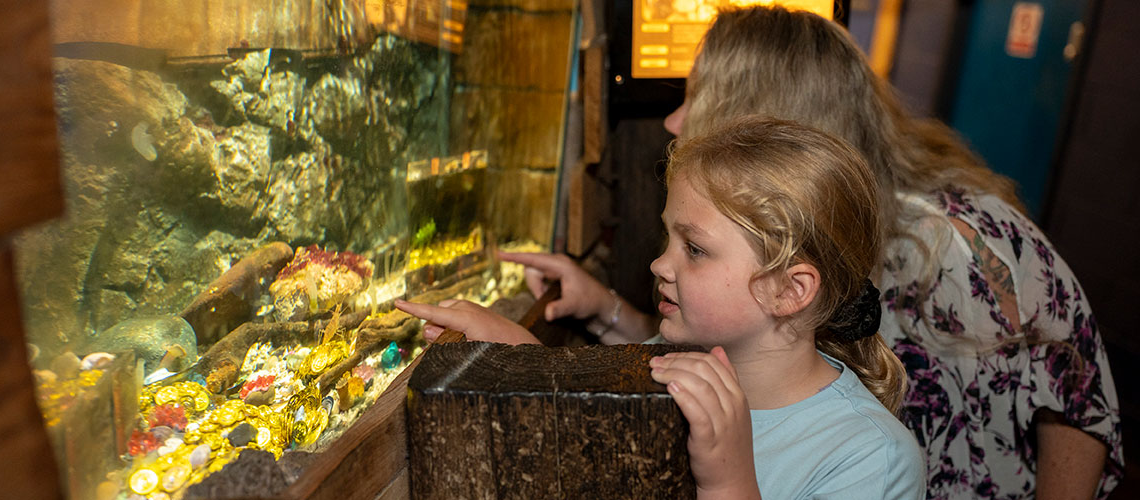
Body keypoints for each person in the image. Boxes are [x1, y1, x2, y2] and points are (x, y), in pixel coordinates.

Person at [474, 6, 1122, 499]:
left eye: (699, 99)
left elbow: (1077, 396)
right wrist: (603, 313)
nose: (674, 121)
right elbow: (738, 345)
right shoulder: (767, 252)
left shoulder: (952, 242)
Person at [398, 116, 926, 498]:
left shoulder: (871, 461)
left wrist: (728, 481)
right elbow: (588, 425)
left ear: (789, 291)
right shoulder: (674, 357)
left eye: (694, 249)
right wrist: (510, 354)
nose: (659, 265)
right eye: (667, 239)